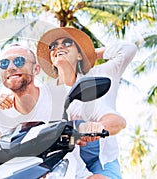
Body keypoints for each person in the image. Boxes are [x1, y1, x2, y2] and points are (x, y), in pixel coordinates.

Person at [0, 44, 108, 178]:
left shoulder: (59, 97)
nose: (11, 67)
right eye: (4, 63)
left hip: (65, 170)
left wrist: (95, 126)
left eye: (19, 61)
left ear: (36, 69)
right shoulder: (2, 113)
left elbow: (111, 119)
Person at [36, 27, 138, 178]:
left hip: (102, 158)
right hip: (68, 160)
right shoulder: (47, 94)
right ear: (51, 59)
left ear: (79, 54)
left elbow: (128, 49)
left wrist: (88, 54)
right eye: (53, 46)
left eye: (67, 42)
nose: (59, 47)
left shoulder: (99, 74)